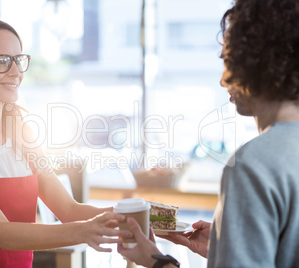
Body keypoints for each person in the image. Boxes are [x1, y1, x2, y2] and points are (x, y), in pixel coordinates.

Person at [0, 16, 131, 267]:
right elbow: (2, 232)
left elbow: (68, 209)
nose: (15, 72)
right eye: (1, 61)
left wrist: (139, 217)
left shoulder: (23, 135)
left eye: (18, 60)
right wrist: (84, 231)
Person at [117, 0, 299, 267]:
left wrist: (157, 261)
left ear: (254, 62)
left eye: (228, 61)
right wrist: (223, 250)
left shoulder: (252, 166)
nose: (223, 80)